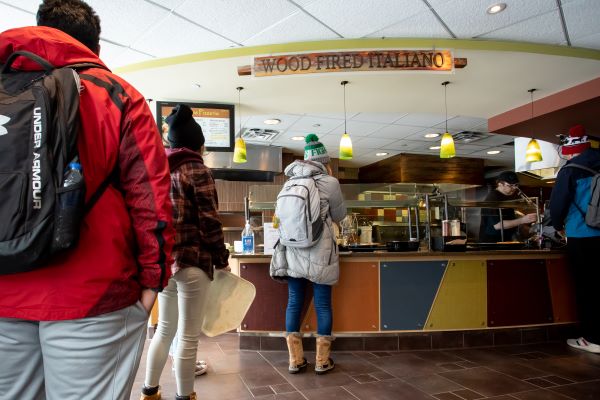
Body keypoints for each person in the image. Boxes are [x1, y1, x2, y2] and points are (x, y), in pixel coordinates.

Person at [0, 1, 175, 399]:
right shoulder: (115, 95)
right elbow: (151, 198)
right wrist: (153, 282)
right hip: (92, 294)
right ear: (94, 48)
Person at [141, 104, 229, 400]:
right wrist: (222, 260)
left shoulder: (157, 169)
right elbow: (210, 222)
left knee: (164, 330)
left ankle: (149, 392)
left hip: (165, 263)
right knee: (188, 337)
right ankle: (184, 396)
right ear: (198, 144)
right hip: (193, 263)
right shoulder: (198, 170)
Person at [270, 134, 346, 375]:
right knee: (323, 304)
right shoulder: (330, 182)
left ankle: (295, 360)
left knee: (294, 302)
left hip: (293, 250)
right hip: (320, 251)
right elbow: (340, 215)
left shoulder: (288, 183)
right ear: (324, 161)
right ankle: (322, 361)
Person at [550, 124, 600, 353]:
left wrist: (557, 226)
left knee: (587, 286)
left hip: (582, 233)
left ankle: (592, 338)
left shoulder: (571, 170)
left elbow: (558, 205)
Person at [479, 171, 537, 242]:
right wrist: (522, 220)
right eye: (510, 185)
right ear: (500, 184)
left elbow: (510, 220)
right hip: (492, 243)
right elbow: (497, 225)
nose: (514, 188)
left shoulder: (507, 197)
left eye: (516, 185)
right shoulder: (493, 199)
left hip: (505, 240)